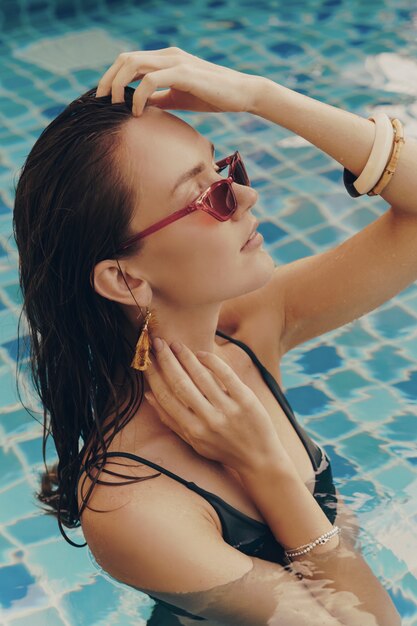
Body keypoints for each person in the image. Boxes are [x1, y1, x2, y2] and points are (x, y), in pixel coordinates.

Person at [12, 46, 413, 625]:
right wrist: (263, 467)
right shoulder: (132, 501)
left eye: (224, 168)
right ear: (126, 278)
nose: (246, 196)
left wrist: (260, 96)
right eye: (207, 197)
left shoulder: (250, 324)